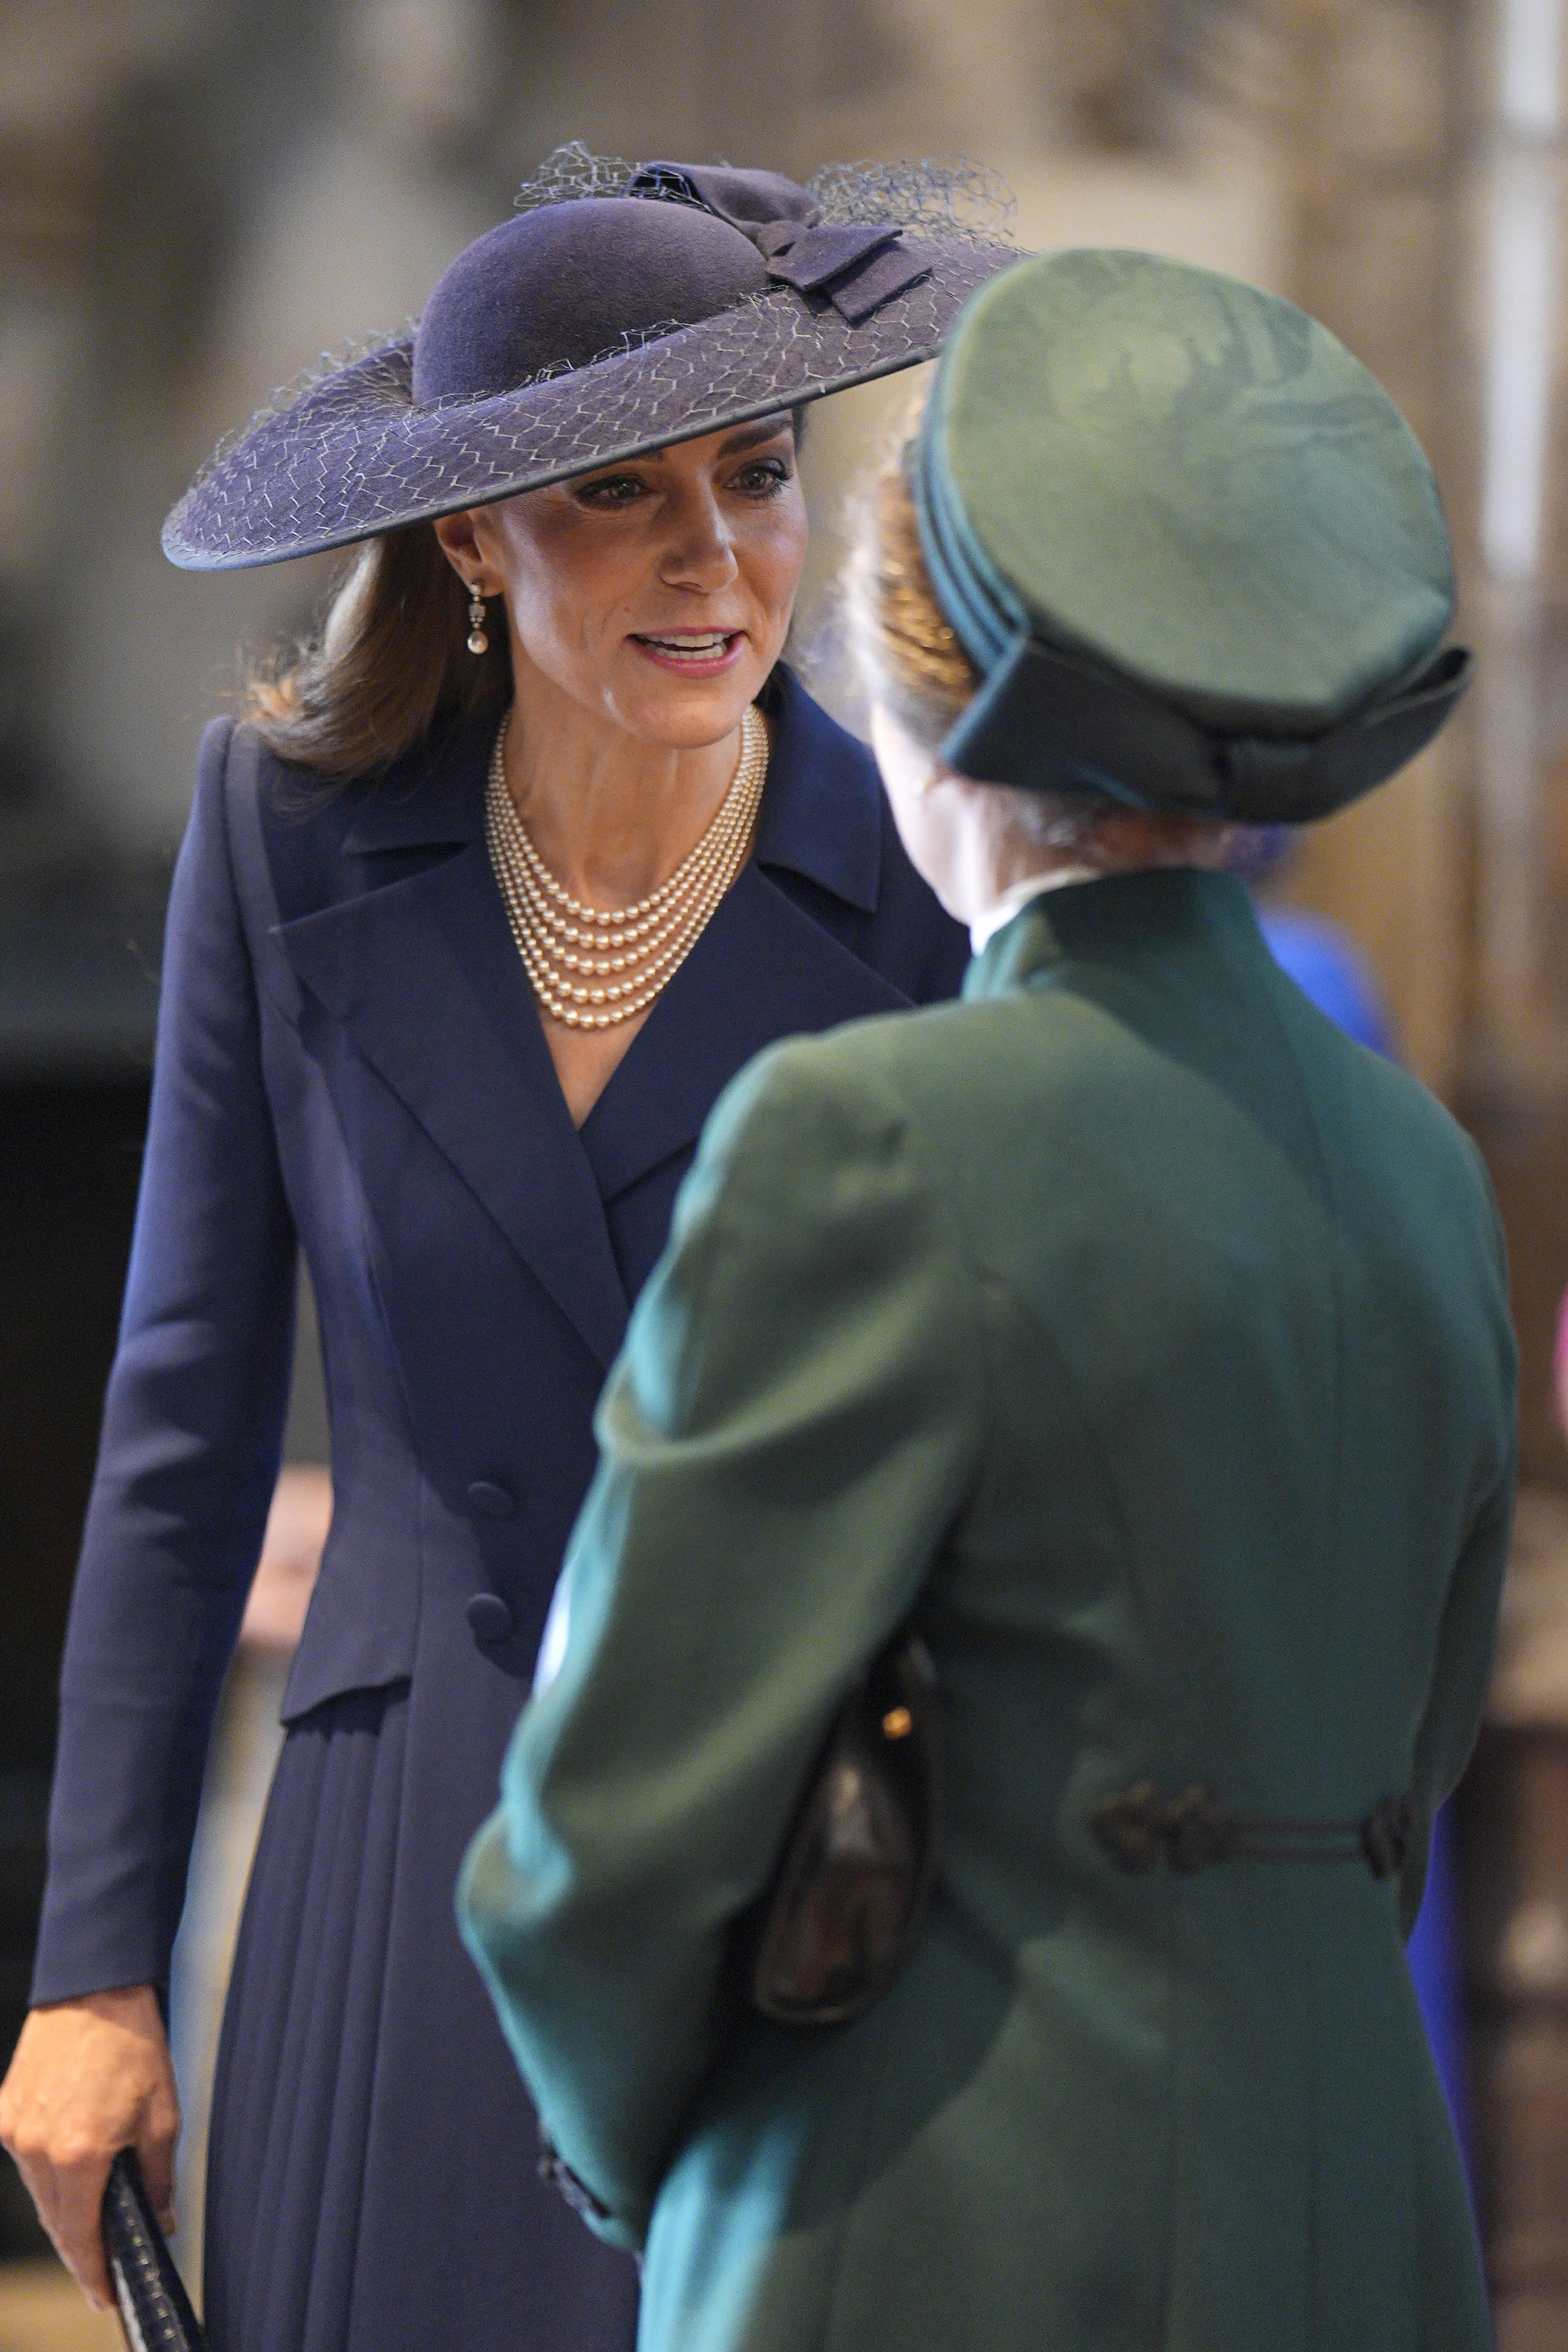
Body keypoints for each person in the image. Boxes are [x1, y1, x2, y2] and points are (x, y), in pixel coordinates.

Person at [0, 151, 1018, 2352]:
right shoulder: (280, 845)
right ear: (471, 534)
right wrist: (93, 1966)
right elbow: (174, 1443)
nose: (716, 557)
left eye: (751, 477)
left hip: (790, 1877)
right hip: (397, 1848)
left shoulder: (922, 908)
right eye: (617, 494)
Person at [458, 248, 1516, 2350]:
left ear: (912, 688)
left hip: (929, 2232)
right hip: (1355, 2231)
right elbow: (1406, 1756)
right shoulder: (1420, 1171)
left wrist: (643, 2164)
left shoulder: (865, 1136)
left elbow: (608, 1845)